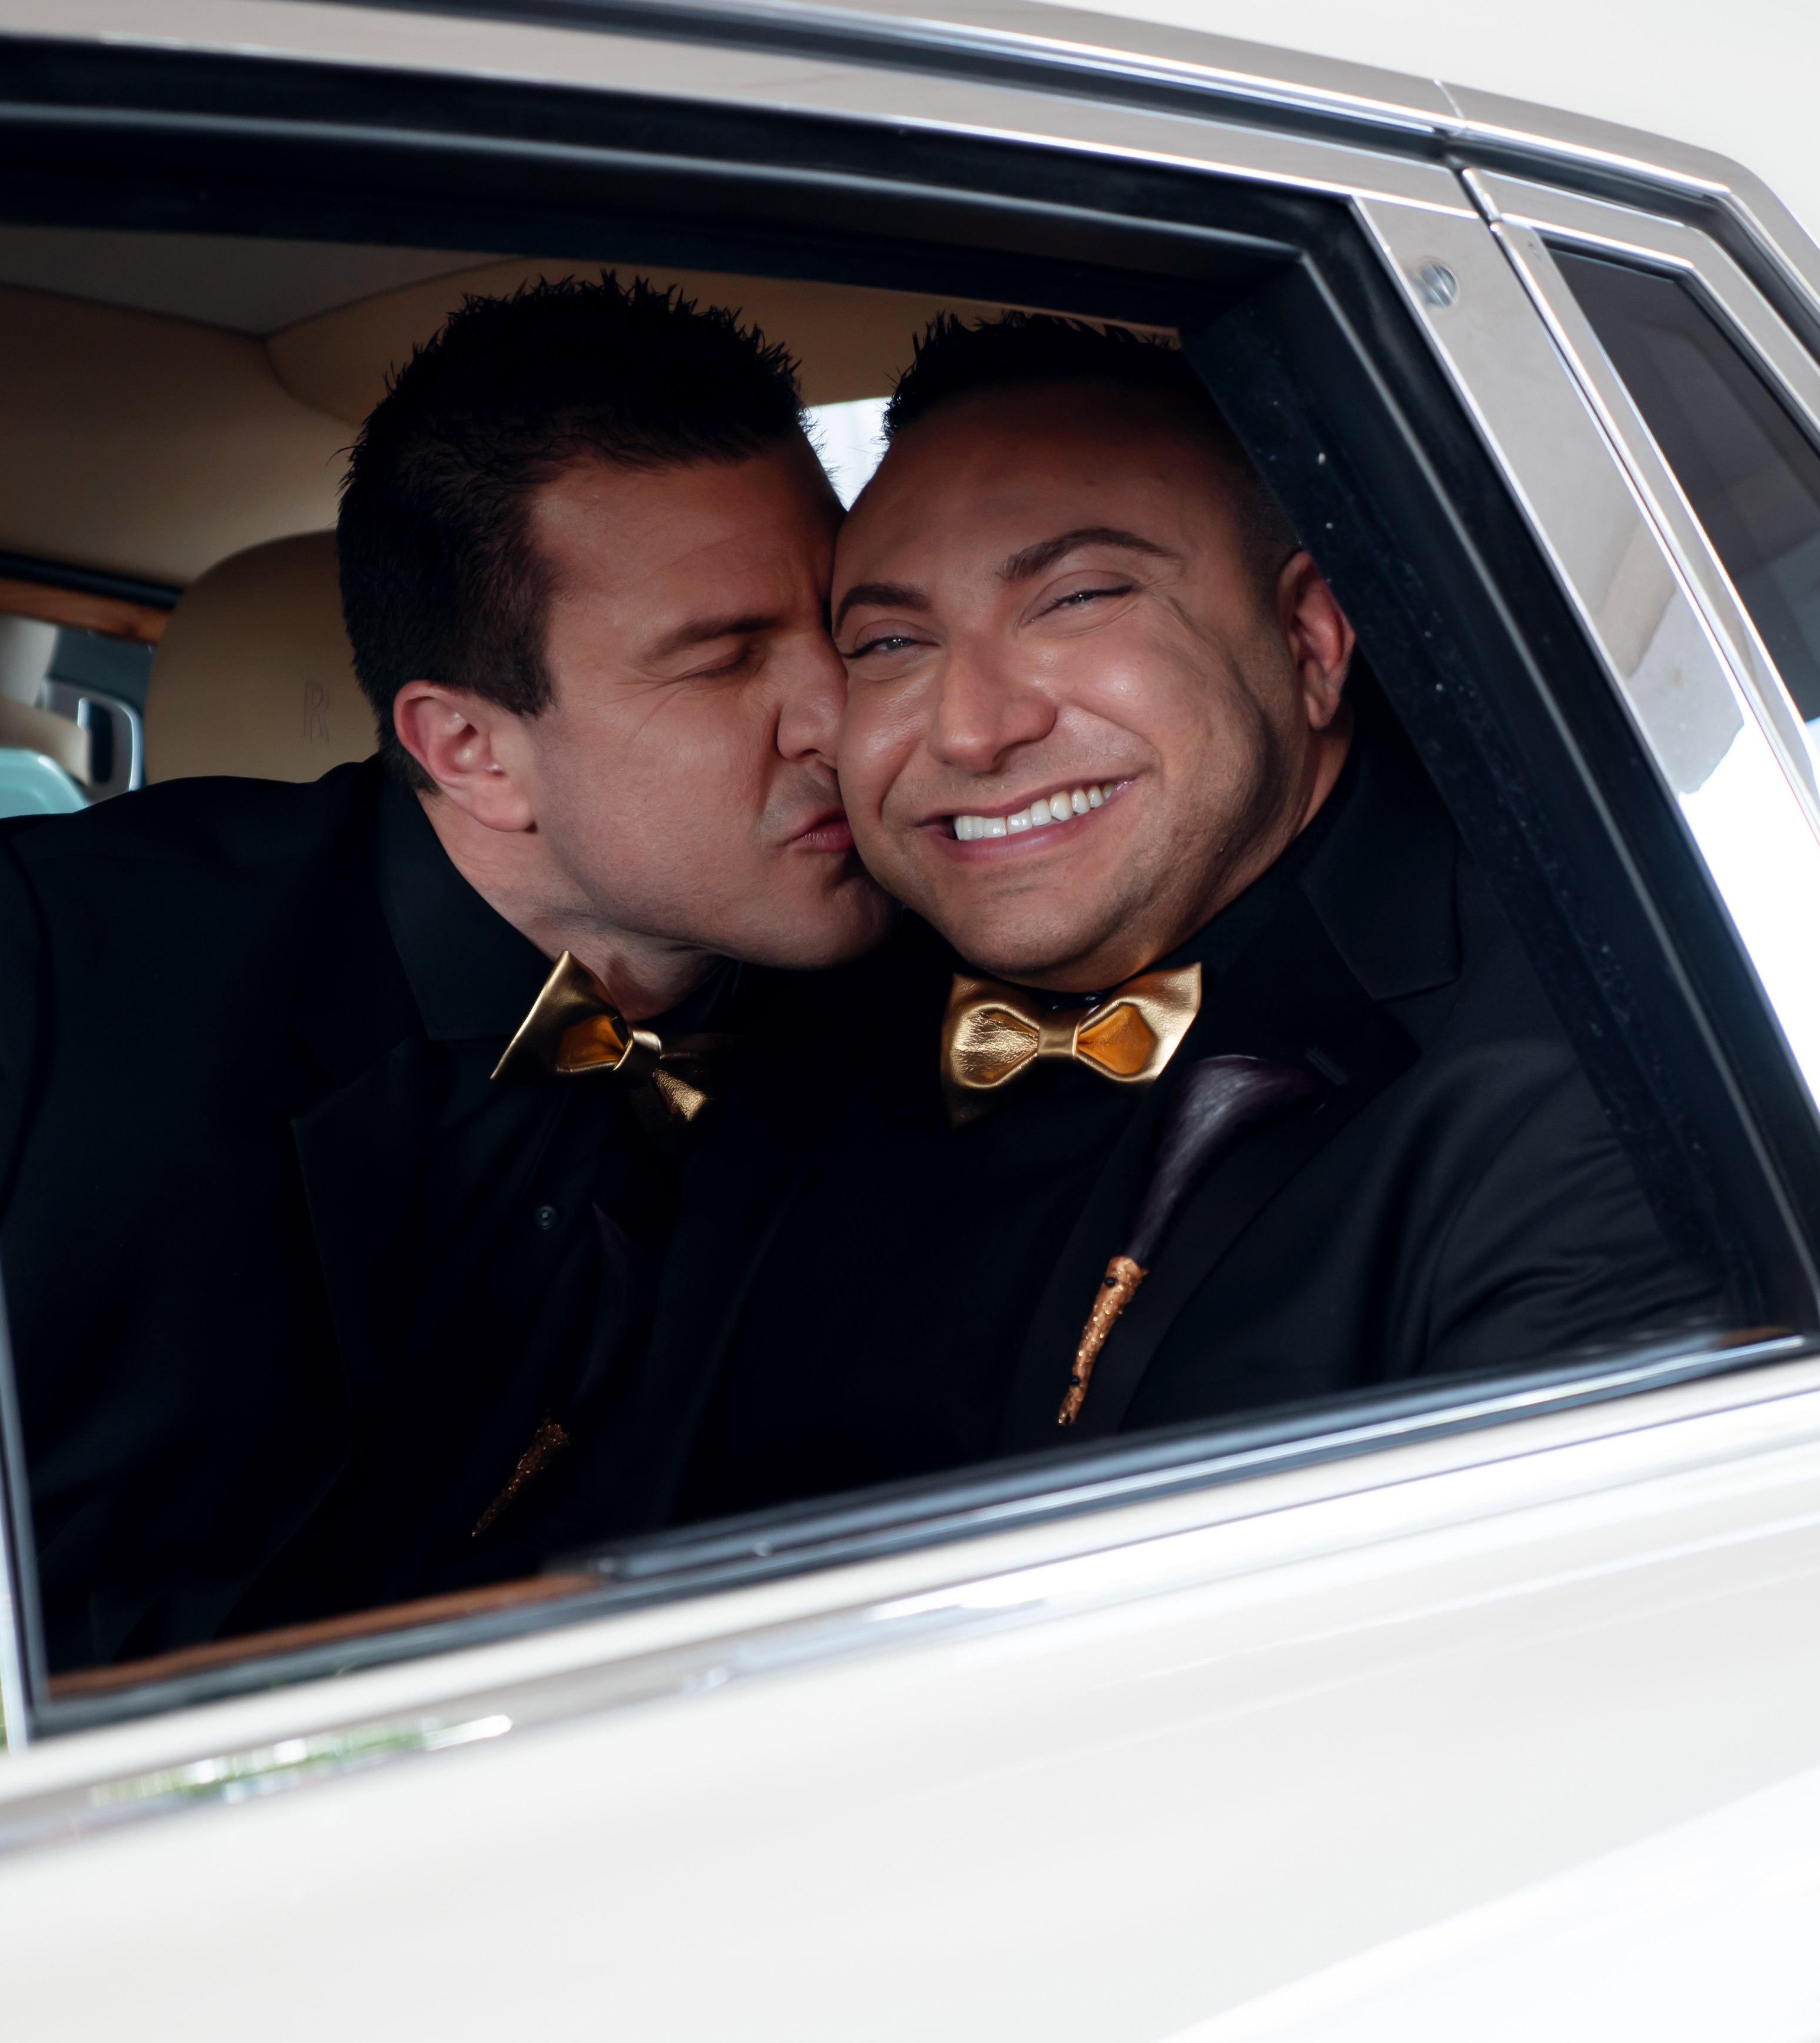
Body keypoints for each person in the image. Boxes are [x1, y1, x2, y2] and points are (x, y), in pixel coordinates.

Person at [592, 315, 1727, 1532]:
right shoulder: (808, 1012)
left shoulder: (1579, 1094)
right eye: (891, 643)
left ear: (1311, 636)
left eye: (1077, 599)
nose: (971, 730)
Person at [0, 278, 893, 1671]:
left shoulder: (928, 1011)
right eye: (724, 659)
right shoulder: (36, 968)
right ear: (471, 752)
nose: (844, 718)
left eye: (851, 629)